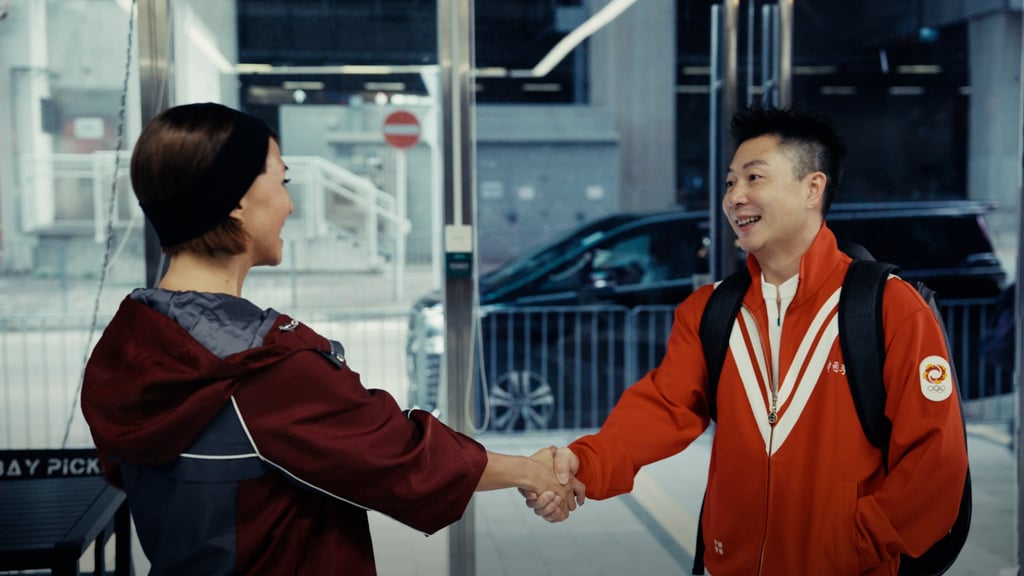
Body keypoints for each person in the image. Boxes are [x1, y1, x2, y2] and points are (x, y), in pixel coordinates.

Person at [80, 102, 581, 575]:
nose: (290, 206)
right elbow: (399, 456)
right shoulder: (257, 364)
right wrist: (530, 471)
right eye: (283, 181)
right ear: (234, 201)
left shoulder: (131, 342)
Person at [527, 105, 969, 575]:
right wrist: (581, 464)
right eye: (730, 182)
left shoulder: (888, 308)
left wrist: (852, 545)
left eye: (754, 178)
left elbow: (935, 466)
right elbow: (660, 410)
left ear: (812, 188)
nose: (735, 196)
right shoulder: (711, 311)